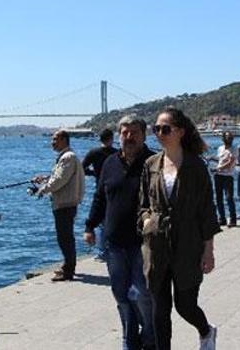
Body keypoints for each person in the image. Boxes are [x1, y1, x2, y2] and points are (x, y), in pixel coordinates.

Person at [138, 108, 221, 350]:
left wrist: (208, 250)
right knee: (159, 311)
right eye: (156, 129)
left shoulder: (196, 167)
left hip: (187, 245)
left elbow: (207, 210)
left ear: (180, 132)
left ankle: (206, 331)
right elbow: (142, 203)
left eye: (165, 129)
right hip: (156, 246)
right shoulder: (150, 165)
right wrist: (145, 221)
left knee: (185, 305)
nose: (160, 133)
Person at [84, 115, 155, 350]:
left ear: (144, 135)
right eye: (124, 132)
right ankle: (129, 338)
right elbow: (100, 197)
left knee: (142, 294)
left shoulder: (154, 162)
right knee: (121, 294)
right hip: (113, 243)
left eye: (134, 132)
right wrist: (90, 226)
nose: (129, 137)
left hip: (143, 243)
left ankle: (149, 336)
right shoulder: (110, 163)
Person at [33, 129, 86, 281]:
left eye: (55, 139)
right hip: (65, 203)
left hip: (65, 204)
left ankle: (68, 270)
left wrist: (42, 190)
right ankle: (67, 266)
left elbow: (59, 181)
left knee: (65, 238)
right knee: (65, 236)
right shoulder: (67, 157)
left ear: (64, 140)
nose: (52, 142)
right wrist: (44, 179)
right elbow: (58, 177)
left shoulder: (68, 157)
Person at [82, 128, 118, 261]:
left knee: (101, 222)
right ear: (111, 139)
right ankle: (111, 249)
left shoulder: (93, 152)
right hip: (115, 189)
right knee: (111, 220)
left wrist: (94, 173)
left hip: (100, 188)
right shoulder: (116, 153)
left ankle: (103, 252)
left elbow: (82, 168)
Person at [212, 131, 236, 227]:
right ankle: (222, 219)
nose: (228, 139)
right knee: (218, 198)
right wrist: (211, 159)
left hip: (228, 176)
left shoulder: (234, 149)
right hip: (218, 176)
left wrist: (218, 168)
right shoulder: (220, 148)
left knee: (229, 198)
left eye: (230, 137)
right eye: (226, 137)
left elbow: (231, 162)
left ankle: (233, 220)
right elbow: (220, 160)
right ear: (223, 139)